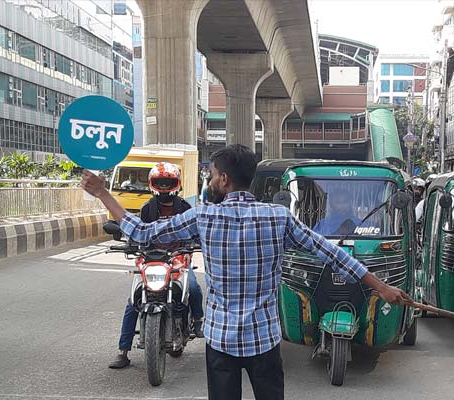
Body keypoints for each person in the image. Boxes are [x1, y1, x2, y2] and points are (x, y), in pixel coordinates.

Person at [82, 144, 412, 400]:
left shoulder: (203, 217)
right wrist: (380, 286)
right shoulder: (278, 217)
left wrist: (102, 193)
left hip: (221, 340)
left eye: (211, 175)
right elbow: (331, 253)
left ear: (224, 180)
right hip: (264, 340)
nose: (210, 181)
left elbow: (142, 233)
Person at [108, 162, 205, 369]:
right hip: (151, 259)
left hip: (178, 258)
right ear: (152, 184)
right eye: (159, 182)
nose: (163, 186)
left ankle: (198, 322)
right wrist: (129, 245)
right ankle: (123, 351)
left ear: (176, 184)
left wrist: (194, 245)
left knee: (195, 289)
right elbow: (138, 233)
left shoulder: (185, 208)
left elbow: (195, 233)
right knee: (133, 301)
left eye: (167, 182)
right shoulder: (147, 209)